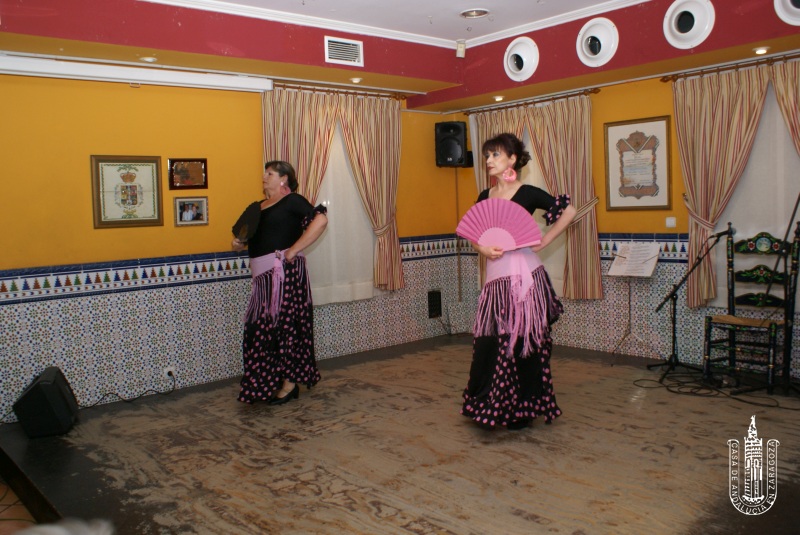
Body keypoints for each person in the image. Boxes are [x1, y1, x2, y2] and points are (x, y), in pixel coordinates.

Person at [461, 133, 576, 430]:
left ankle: (521, 410)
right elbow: (473, 233)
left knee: (523, 345)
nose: (489, 161)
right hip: (495, 283)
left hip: (525, 282)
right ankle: (488, 404)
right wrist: (482, 249)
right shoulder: (485, 196)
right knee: (488, 345)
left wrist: (546, 240)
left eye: (495, 155)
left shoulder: (527, 193)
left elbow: (569, 211)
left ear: (512, 159)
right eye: (487, 156)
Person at [231, 160, 328, 404]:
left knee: (286, 329)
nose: (264, 176)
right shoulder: (258, 207)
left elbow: (320, 220)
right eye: (265, 172)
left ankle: (289, 384)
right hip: (262, 281)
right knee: (260, 331)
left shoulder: (292, 200)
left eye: (270, 173)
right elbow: (245, 237)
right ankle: (267, 381)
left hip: (284, 276)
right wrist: (238, 243)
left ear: (284, 178)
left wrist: (294, 250)